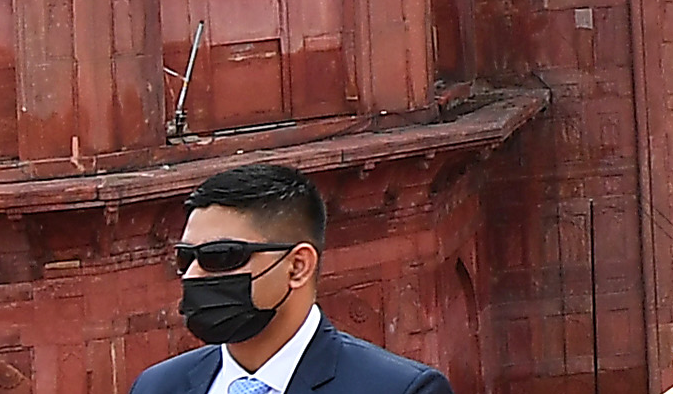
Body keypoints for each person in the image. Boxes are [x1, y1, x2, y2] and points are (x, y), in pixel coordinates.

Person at [131, 163, 452, 394]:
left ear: (298, 266)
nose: (192, 274)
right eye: (185, 258)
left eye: (221, 257)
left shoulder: (400, 389)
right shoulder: (157, 387)